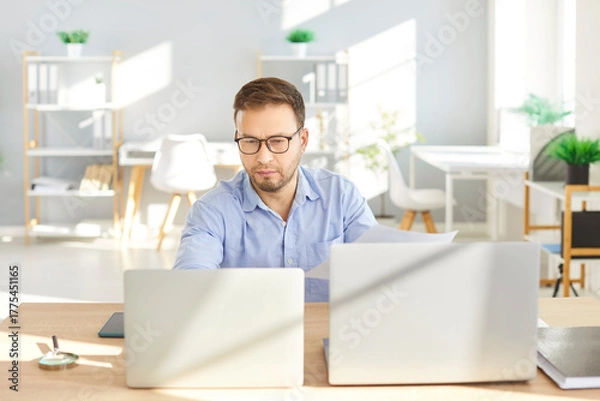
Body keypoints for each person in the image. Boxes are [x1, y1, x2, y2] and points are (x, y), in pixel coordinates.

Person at [173, 77, 377, 301]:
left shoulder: (342, 196)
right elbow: (189, 285)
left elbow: (380, 275)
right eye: (250, 141)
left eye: (278, 141)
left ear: (303, 140)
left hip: (327, 333)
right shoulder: (212, 211)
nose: (263, 157)